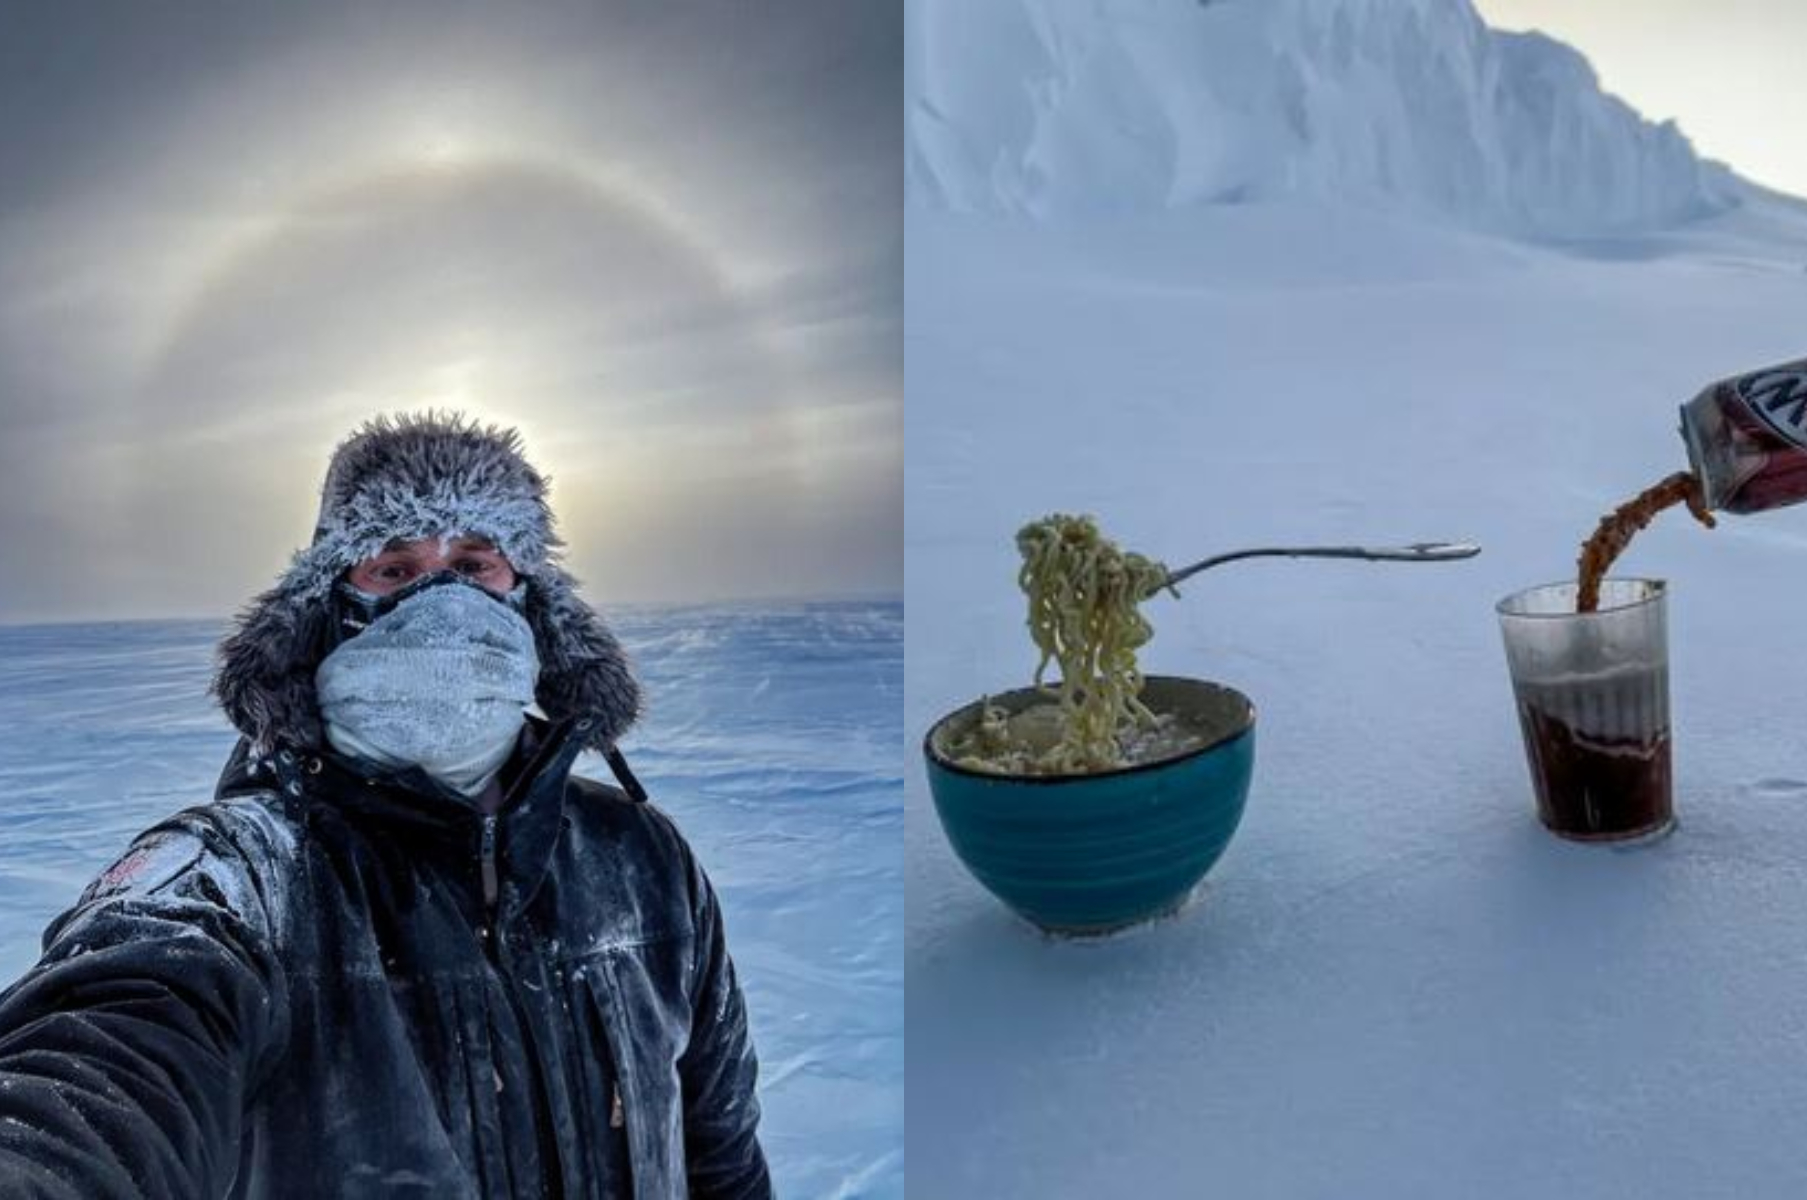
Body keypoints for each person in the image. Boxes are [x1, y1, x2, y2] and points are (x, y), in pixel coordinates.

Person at [0, 413, 772, 1198]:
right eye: (395, 570)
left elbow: (721, 1148)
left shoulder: (641, 859)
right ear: (329, 605)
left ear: (531, 601)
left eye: (475, 565)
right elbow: (101, 1063)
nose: (442, 601)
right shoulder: (240, 878)